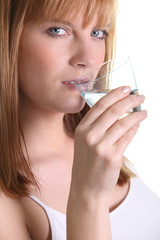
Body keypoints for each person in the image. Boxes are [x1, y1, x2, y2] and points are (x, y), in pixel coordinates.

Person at [0, 0, 160, 239]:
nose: (88, 59)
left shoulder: (99, 149)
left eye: (98, 33)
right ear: (8, 39)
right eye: (57, 31)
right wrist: (89, 197)